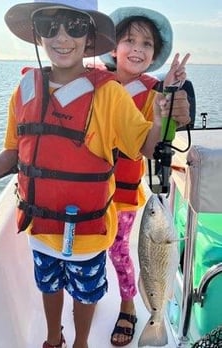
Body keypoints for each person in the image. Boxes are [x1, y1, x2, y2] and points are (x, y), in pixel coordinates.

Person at [0, 1, 190, 348]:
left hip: (88, 234)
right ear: (36, 33)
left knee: (86, 293)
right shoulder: (24, 90)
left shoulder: (110, 94)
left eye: (74, 25)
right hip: (40, 228)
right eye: (49, 25)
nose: (61, 36)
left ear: (90, 38)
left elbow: (146, 145)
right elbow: (13, 151)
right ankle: (52, 336)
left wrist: (163, 113)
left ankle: (81, 341)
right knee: (48, 285)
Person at [100, 7, 190, 346]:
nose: (137, 49)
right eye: (129, 40)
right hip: (87, 190)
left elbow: (162, 137)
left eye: (146, 44)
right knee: (88, 251)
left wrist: (172, 97)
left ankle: (128, 306)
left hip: (122, 193)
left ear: (153, 55)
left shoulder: (155, 90)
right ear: (113, 47)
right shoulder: (94, 81)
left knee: (119, 250)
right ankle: (87, 299)